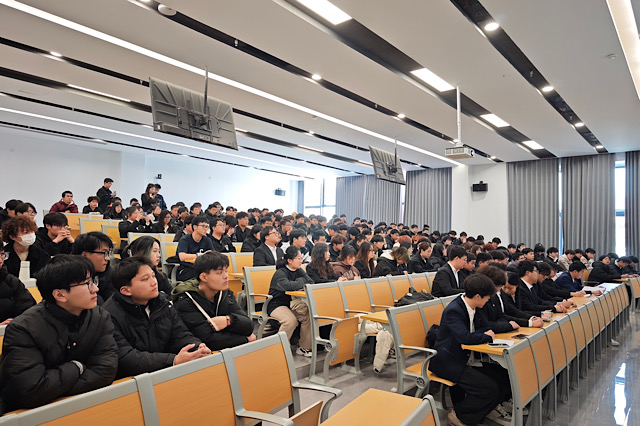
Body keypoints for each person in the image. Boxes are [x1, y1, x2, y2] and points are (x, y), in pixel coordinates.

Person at [0, 255, 118, 412]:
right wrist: (76, 367)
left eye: (93, 281)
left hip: (80, 406)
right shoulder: (23, 329)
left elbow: (105, 371)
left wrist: (54, 390)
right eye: (87, 284)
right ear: (60, 295)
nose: (95, 289)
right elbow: (31, 389)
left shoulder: (100, 317)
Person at [103, 256, 210, 378]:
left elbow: (181, 334)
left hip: (164, 372)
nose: (154, 282)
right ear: (126, 291)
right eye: (145, 279)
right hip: (133, 380)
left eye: (153, 276)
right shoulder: (109, 316)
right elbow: (127, 358)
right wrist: (173, 360)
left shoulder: (162, 303)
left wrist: (197, 348)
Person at [429, 274, 511, 426]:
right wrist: (485, 336)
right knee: (489, 389)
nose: (489, 300)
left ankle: (478, 415)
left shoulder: (475, 307)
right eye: (487, 297)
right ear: (478, 296)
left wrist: (482, 335)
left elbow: (486, 327)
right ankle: (460, 415)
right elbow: (465, 337)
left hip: (468, 357)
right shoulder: (454, 310)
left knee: (504, 379)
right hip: (450, 361)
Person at [172, 252, 255, 350]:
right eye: (219, 273)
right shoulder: (185, 300)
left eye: (226, 271)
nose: (226, 276)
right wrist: (245, 339)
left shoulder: (224, 293)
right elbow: (208, 339)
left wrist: (229, 320)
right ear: (203, 277)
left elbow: (248, 325)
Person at [267, 246, 314, 357]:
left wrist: (299, 282)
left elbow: (311, 282)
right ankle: (278, 348)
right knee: (290, 321)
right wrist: (301, 281)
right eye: (299, 258)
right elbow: (287, 286)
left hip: (292, 304)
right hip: (276, 304)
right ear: (289, 260)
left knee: (308, 316)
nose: (301, 261)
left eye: (301, 258)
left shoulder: (299, 270)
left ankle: (303, 347)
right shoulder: (280, 273)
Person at [477, 264, 544, 333]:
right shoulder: (482, 299)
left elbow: (507, 313)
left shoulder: (498, 294)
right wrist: (510, 325)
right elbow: (486, 324)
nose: (499, 290)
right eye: (497, 287)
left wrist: (530, 320)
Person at [72, 231, 116, 303]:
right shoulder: (69, 275)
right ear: (84, 255)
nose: (107, 258)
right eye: (104, 253)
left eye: (108, 253)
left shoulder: (108, 271)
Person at [0, 245, 36, 325]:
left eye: (2, 254)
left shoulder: (11, 281)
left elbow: (29, 309)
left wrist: (17, 323)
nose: (0, 261)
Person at [176, 216, 214, 281]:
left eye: (207, 227)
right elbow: (182, 257)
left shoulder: (207, 240)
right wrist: (201, 255)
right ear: (195, 227)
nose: (206, 229)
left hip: (202, 268)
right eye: (203, 226)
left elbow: (212, 255)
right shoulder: (185, 239)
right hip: (186, 268)